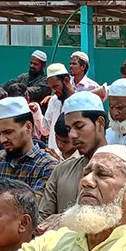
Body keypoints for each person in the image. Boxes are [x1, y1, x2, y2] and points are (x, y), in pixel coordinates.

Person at [40, 91, 108, 219]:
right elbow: (43, 219)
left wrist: (63, 221)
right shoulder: (61, 170)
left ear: (100, 123)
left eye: (79, 126)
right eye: (69, 129)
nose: (72, 135)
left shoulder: (121, 171)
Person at [0, 96, 57, 193]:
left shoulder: (47, 165)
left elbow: (31, 206)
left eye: (8, 132)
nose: (2, 140)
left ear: (28, 127)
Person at [42, 63, 74, 151]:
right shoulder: (53, 100)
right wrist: (36, 112)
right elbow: (46, 129)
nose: (53, 91)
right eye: (51, 88)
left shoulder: (79, 102)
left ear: (66, 80)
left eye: (56, 86)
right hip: (53, 156)